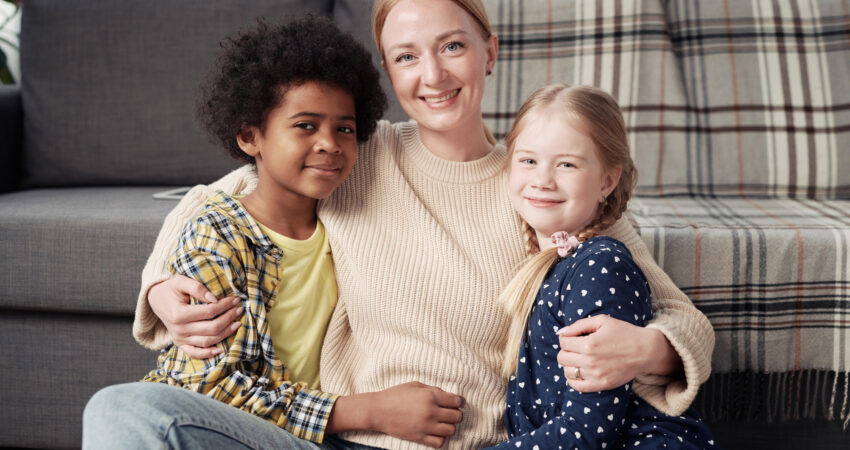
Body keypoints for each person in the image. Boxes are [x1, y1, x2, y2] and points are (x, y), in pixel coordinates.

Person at [133, 1, 715, 448]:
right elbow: (227, 190)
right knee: (127, 411)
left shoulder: (540, 182)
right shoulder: (359, 153)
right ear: (387, 71)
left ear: (489, 50)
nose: (432, 75)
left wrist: (649, 349)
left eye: (452, 46)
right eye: (407, 56)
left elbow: (685, 319)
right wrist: (160, 285)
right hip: (352, 438)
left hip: (488, 442)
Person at [83, 17, 465, 450]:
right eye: (305, 126)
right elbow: (212, 389)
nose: (330, 143)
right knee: (117, 408)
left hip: (306, 441)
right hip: (228, 431)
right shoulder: (219, 234)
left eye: (345, 128)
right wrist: (366, 410)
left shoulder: (347, 215)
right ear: (250, 136)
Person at [485, 84, 716, 449]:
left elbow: (588, 431)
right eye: (528, 160)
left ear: (607, 181)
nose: (542, 180)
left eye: (567, 164)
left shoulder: (599, 266)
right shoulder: (552, 261)